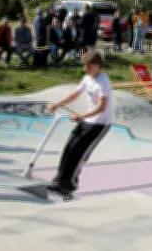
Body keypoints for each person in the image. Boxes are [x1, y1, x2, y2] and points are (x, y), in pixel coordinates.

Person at [44, 50, 113, 196]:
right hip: (87, 119)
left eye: (89, 66)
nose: (86, 69)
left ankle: (69, 184)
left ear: (97, 65)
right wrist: (57, 104)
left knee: (79, 152)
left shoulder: (103, 82)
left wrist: (81, 115)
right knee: (69, 146)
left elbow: (102, 108)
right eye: (84, 66)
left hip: (100, 123)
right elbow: (74, 94)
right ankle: (60, 179)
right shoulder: (87, 78)